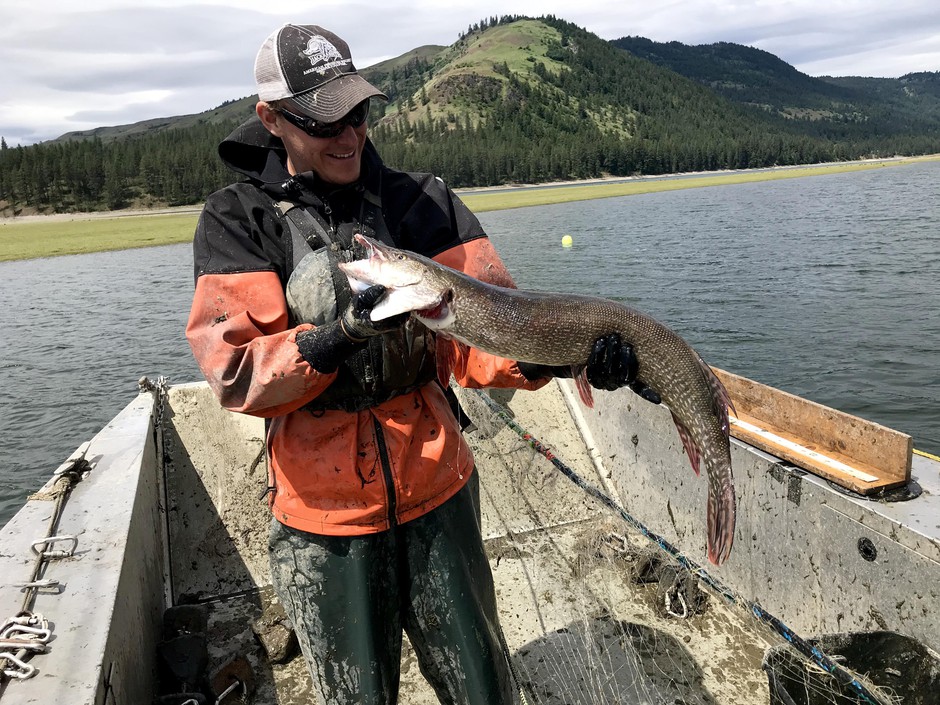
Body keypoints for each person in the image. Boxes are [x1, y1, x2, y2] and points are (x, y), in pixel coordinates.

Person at [186, 22, 658, 705]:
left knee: (483, 686)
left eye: (357, 112)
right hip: (324, 520)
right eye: (323, 120)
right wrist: (337, 335)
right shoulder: (237, 219)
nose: (348, 133)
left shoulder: (423, 201)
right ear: (271, 119)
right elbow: (236, 373)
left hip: (440, 491)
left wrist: (559, 358)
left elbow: (488, 336)